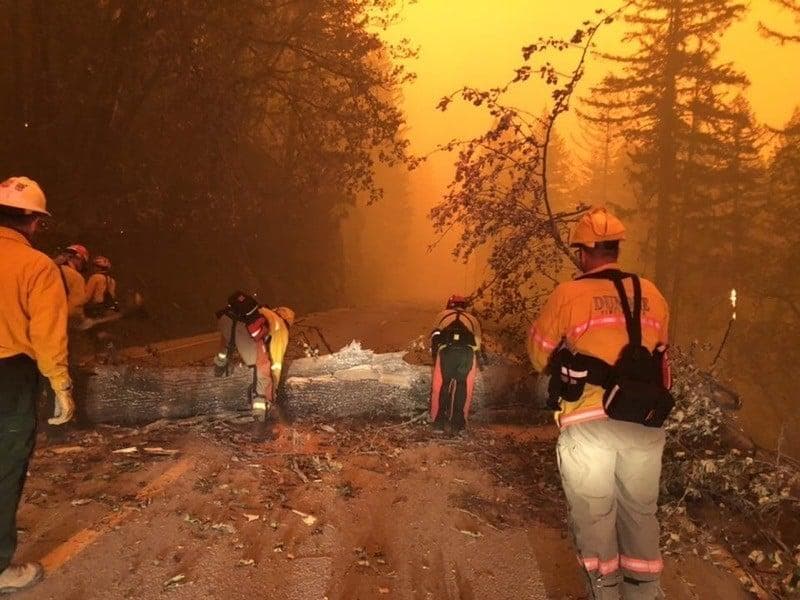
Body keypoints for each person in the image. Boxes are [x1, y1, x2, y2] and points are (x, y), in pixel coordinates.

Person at [527, 207, 671, 600]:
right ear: (617, 248)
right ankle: (643, 593)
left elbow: (539, 355)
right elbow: (659, 353)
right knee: (640, 515)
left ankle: (603, 594)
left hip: (589, 423)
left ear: (584, 252)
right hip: (644, 423)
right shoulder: (652, 294)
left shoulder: (569, 294)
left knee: (595, 517)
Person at [0, 176, 75, 593]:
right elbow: (48, 336)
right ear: (31, 221)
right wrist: (61, 387)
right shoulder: (36, 266)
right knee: (4, 466)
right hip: (8, 375)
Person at [213, 291, 294, 438]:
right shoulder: (281, 326)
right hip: (245, 331)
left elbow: (234, 333)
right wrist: (273, 389)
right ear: (288, 321)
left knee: (230, 341)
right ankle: (259, 427)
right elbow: (275, 364)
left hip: (225, 319)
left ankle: (219, 365)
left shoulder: (263, 312)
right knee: (263, 374)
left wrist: (224, 360)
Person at [429, 294, 483, 434]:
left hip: (446, 352)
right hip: (466, 354)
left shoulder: (442, 315)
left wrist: (435, 355)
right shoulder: (473, 319)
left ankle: (438, 422)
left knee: (443, 385)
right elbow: (477, 344)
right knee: (462, 385)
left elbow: (434, 337)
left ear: (450, 304)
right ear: (464, 306)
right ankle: (457, 425)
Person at [56, 244, 90, 321]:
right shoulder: (77, 277)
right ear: (78, 258)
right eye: (83, 262)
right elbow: (74, 311)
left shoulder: (47, 268)